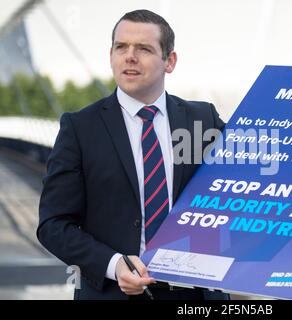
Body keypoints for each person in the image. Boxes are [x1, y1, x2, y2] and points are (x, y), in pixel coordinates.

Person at [37, 9, 227, 300]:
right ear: (110, 54)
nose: (130, 56)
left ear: (170, 61)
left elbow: (253, 183)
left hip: (194, 296)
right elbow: (53, 225)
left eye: (144, 49)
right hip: (112, 292)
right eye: (121, 47)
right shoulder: (79, 128)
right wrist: (113, 265)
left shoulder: (203, 120)